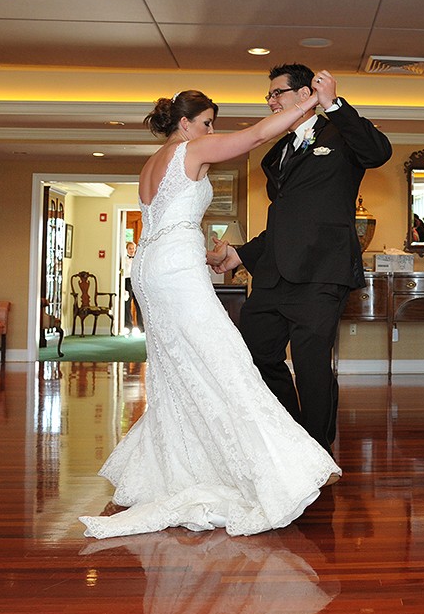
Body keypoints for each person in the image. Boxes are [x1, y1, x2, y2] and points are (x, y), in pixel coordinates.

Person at [80, 89, 340, 539]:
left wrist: (213, 253)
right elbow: (258, 134)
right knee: (225, 362)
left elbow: (170, 220)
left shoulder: (152, 163)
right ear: (185, 125)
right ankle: (272, 470)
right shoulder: (190, 149)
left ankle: (188, 462)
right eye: (206, 123)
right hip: (172, 270)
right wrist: (307, 104)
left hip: (149, 268)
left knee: (180, 370)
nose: (210, 132)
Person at [211, 65, 392, 453]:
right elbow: (285, 221)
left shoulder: (341, 135)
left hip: (321, 273)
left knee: (311, 367)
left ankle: (316, 452)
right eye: (269, 96)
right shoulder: (273, 156)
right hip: (274, 276)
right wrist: (240, 254)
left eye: (278, 93)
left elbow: (378, 152)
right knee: (257, 355)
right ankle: (291, 433)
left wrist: (335, 105)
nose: (271, 101)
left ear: (305, 93)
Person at [122, 240, 143, 335]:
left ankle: (141, 327)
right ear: (127, 249)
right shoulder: (123, 260)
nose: (132, 250)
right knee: (127, 304)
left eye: (133, 248)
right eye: (130, 248)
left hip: (137, 281)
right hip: (127, 281)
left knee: (139, 304)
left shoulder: (138, 259)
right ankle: (128, 326)